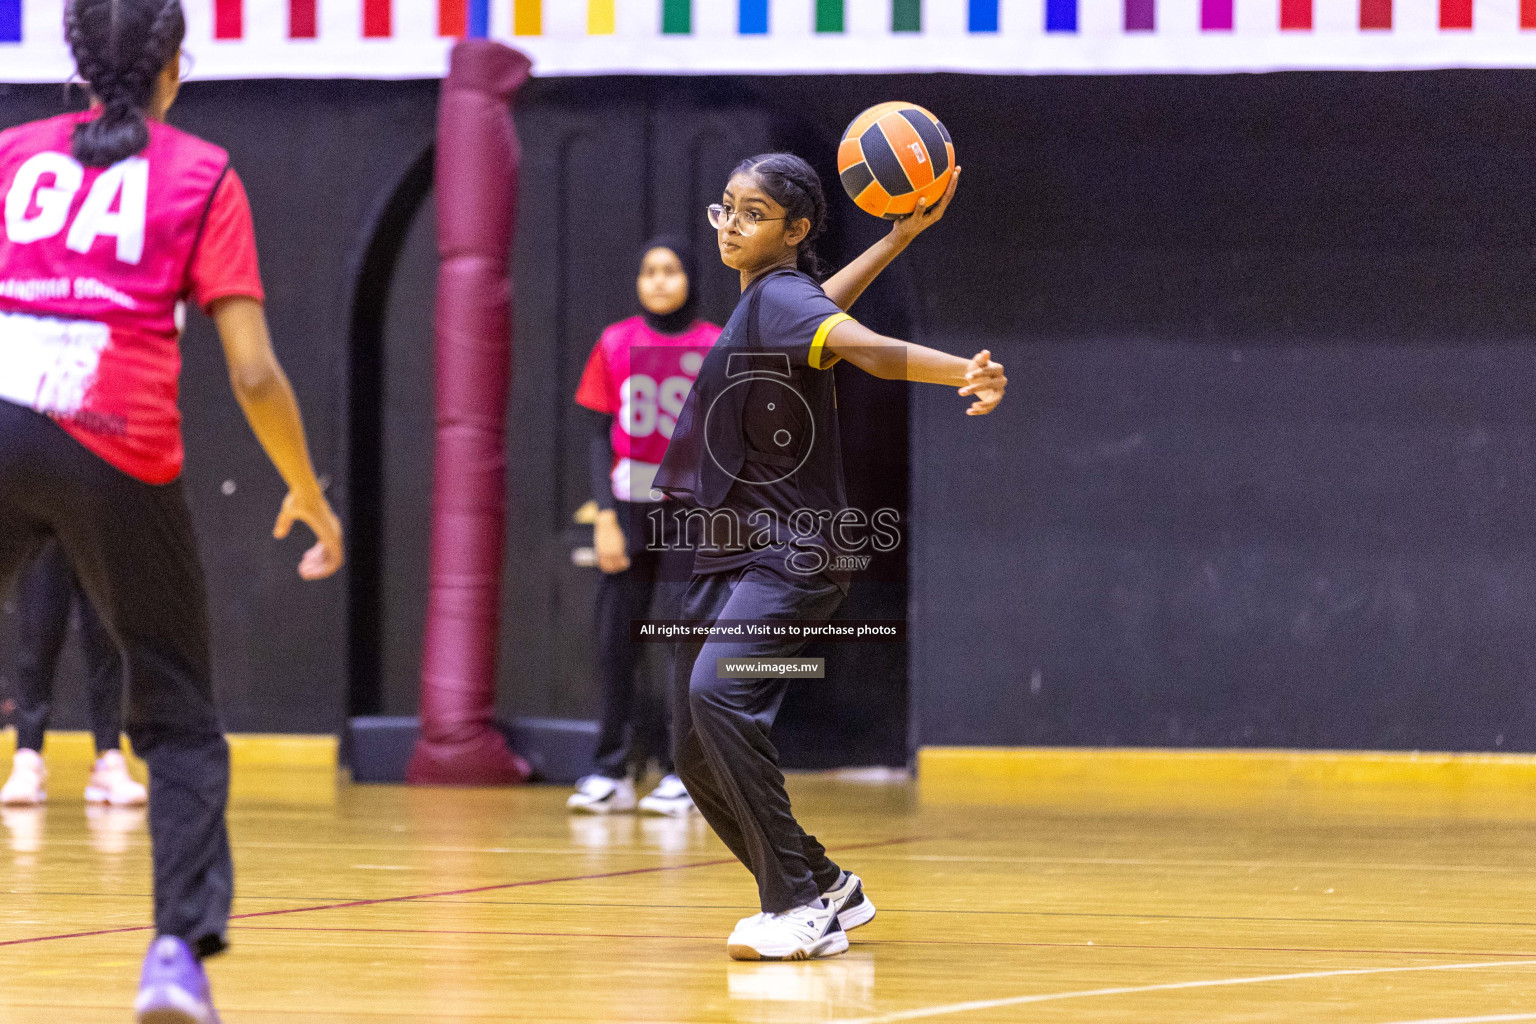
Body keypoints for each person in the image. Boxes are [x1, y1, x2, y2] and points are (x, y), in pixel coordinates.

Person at [0, 1, 344, 1020]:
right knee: (181, 717)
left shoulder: (13, 152)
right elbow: (251, 370)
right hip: (115, 441)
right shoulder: (200, 171)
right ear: (173, 69)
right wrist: (308, 490)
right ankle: (172, 960)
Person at [654, 154, 1005, 961]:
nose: (731, 225)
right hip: (727, 554)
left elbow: (871, 350)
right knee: (692, 748)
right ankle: (826, 883)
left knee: (720, 696)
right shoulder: (774, 300)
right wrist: (895, 242)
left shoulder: (775, 298)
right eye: (726, 209)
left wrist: (965, 372)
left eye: (752, 213)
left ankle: (799, 909)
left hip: (791, 552)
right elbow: (821, 304)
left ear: (797, 230)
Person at [568, 238, 720, 817]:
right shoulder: (614, 341)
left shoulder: (715, 344)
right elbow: (595, 434)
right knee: (616, 641)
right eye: (649, 271)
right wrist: (605, 516)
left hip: (691, 514)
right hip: (628, 510)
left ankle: (686, 777)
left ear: (689, 279)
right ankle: (609, 768)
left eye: (671, 270)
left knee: (685, 642)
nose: (659, 280)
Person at [1, 537, 146, 807]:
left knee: (105, 637)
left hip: (100, 515)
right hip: (45, 515)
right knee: (37, 633)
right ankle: (28, 758)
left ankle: (109, 758)